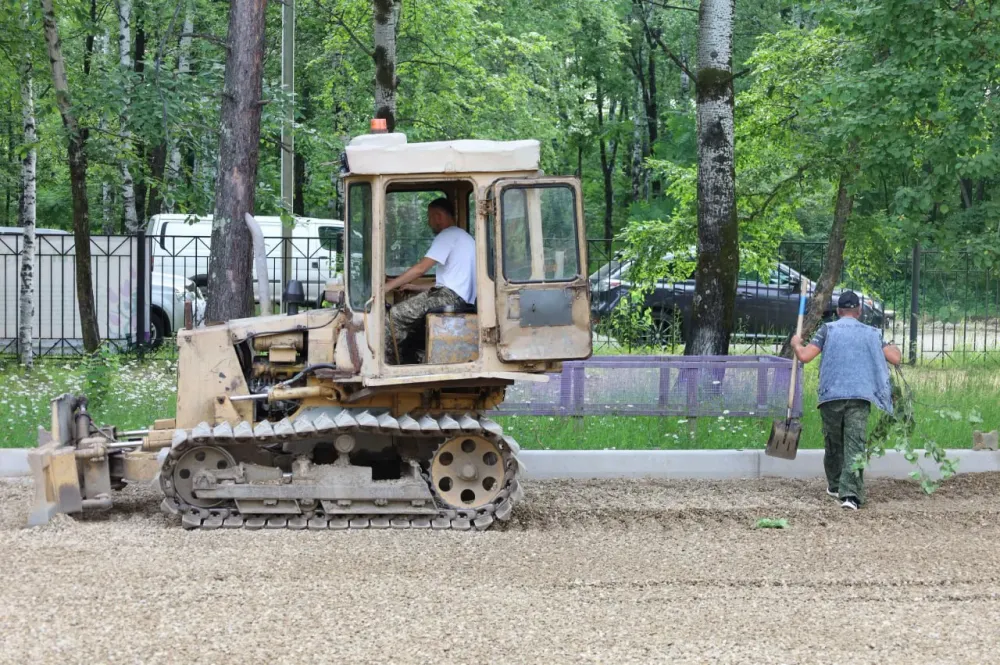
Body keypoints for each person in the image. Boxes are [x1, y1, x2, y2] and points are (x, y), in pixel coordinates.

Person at [790, 291, 902, 510]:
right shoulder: (872, 333)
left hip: (831, 395)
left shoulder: (827, 330)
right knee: (855, 444)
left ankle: (834, 484)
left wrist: (796, 343)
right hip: (860, 396)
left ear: (839, 311)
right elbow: (895, 358)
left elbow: (804, 356)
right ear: (859, 311)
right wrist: (892, 344)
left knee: (833, 442)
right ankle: (850, 495)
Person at [384, 198, 476, 364]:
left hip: (449, 297)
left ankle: (389, 365)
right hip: (457, 297)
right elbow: (448, 282)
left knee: (393, 316)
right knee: (409, 317)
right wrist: (413, 286)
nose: (429, 222)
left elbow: (420, 269)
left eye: (429, 217)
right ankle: (410, 357)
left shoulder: (447, 235)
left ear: (438, 216)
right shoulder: (464, 237)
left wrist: (387, 286)